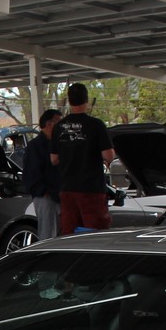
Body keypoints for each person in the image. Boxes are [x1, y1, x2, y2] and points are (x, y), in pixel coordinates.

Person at [51, 82, 116, 235]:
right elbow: (109, 156)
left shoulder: (59, 127)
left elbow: (53, 159)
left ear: (69, 101)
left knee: (69, 234)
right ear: (87, 100)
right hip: (91, 190)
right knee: (94, 235)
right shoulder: (96, 125)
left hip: (67, 190)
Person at [21, 109, 63, 241]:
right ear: (50, 124)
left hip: (60, 196)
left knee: (61, 235)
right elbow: (31, 173)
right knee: (48, 235)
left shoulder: (58, 144)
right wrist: (44, 192)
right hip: (46, 197)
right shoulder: (35, 146)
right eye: (59, 123)